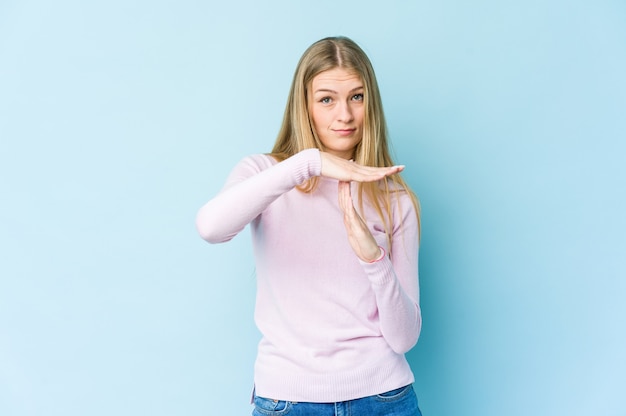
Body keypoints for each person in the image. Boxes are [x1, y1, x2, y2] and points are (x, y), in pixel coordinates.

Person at [196, 36, 422, 416]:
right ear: (305, 106)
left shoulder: (395, 199)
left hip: (385, 399)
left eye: (357, 96)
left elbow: (403, 338)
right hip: (288, 400)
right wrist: (309, 163)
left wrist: (374, 259)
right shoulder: (266, 174)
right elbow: (210, 227)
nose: (345, 116)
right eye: (326, 99)